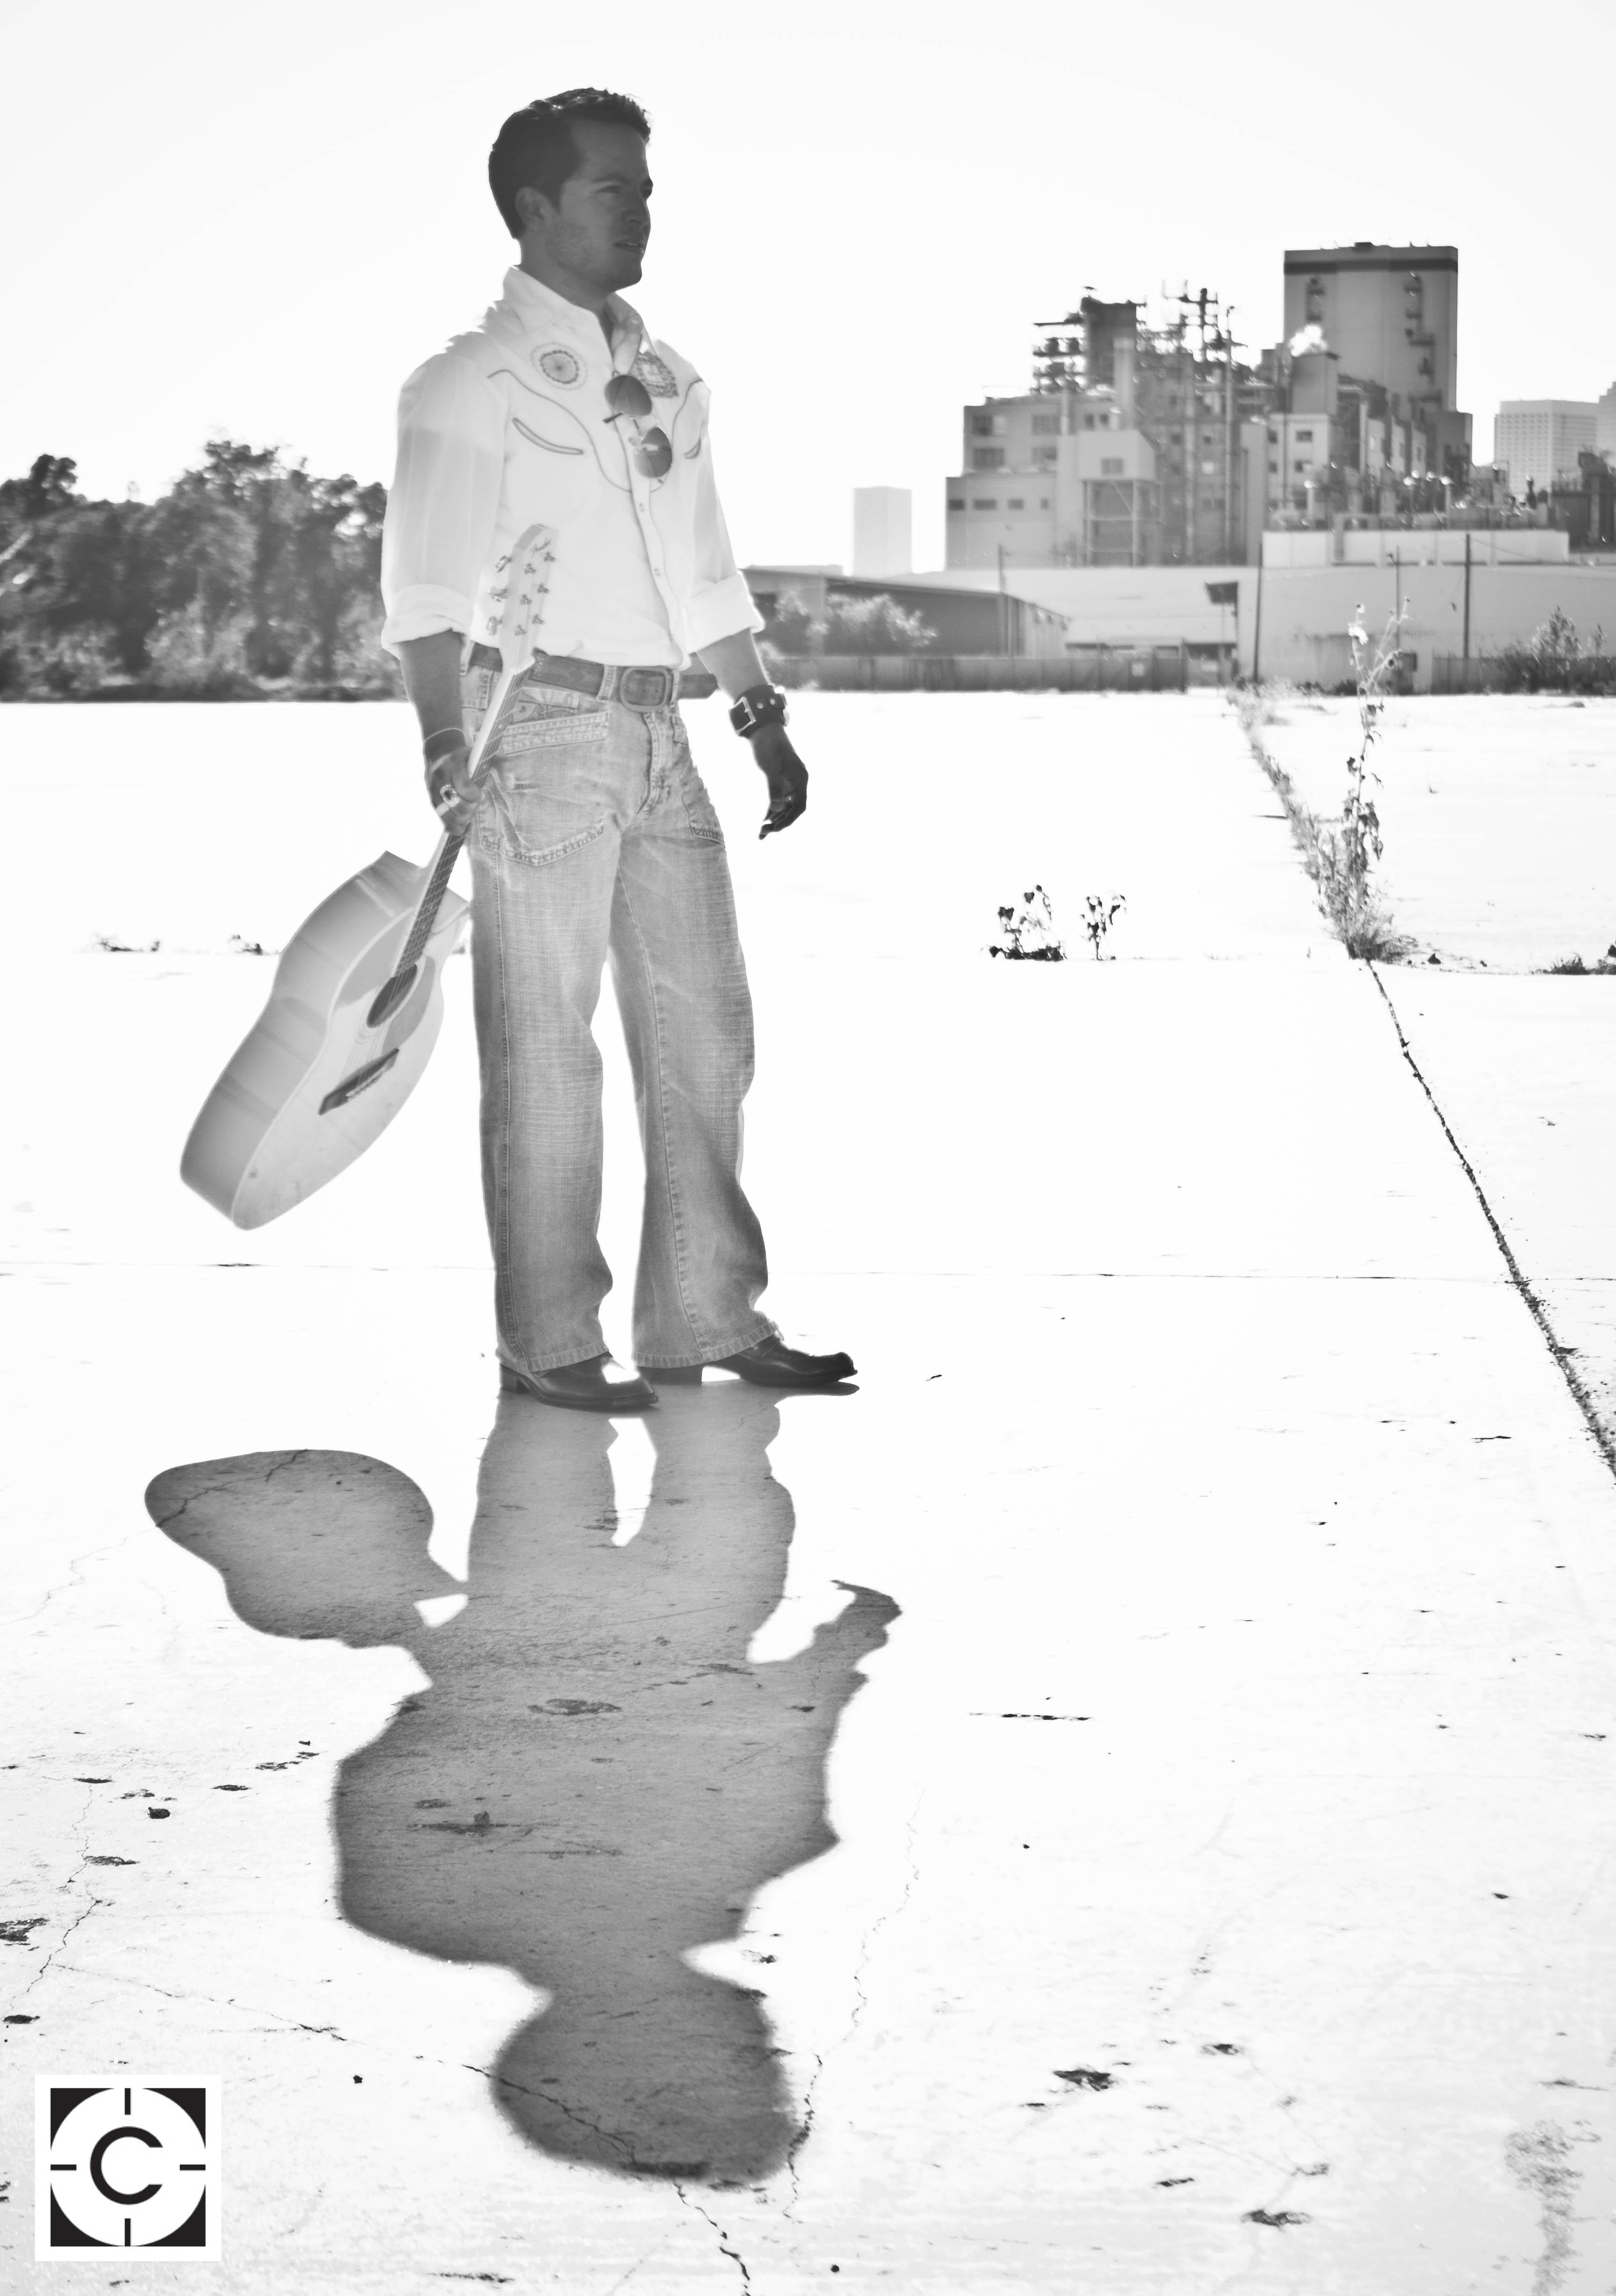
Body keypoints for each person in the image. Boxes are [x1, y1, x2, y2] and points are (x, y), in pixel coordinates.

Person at [380, 88, 853, 1412]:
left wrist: (764, 716)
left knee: (708, 1036)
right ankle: (552, 1345)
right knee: (545, 1053)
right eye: (612, 188)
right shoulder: (462, 383)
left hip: (662, 729)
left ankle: (705, 1316)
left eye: (645, 186)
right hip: (532, 734)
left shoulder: (673, 381)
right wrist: (440, 741)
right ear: (535, 209)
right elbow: (424, 597)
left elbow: (704, 571)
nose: (640, 207)